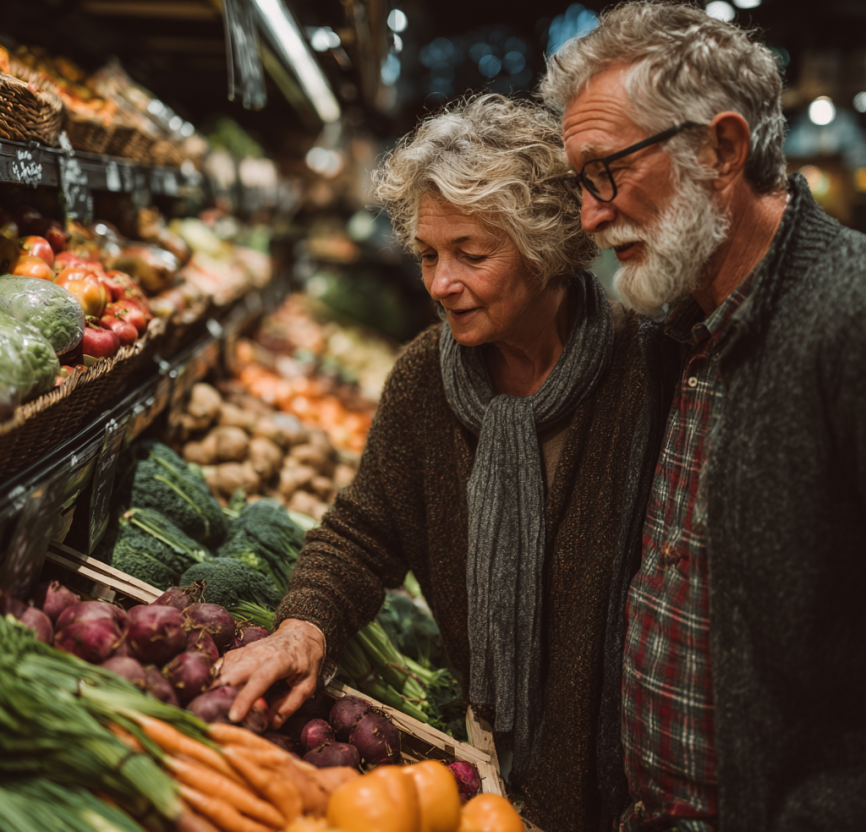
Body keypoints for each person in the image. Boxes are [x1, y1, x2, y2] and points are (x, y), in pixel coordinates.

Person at [218, 94, 676, 832]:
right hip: (495, 756)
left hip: (636, 770)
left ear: (544, 246)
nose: (439, 284)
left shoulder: (648, 367)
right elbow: (364, 531)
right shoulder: (424, 380)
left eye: (471, 253)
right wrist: (302, 626)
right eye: (429, 255)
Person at [541, 0, 866, 832]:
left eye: (605, 172)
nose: (590, 214)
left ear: (721, 149)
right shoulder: (670, 334)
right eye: (581, 184)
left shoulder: (850, 316)